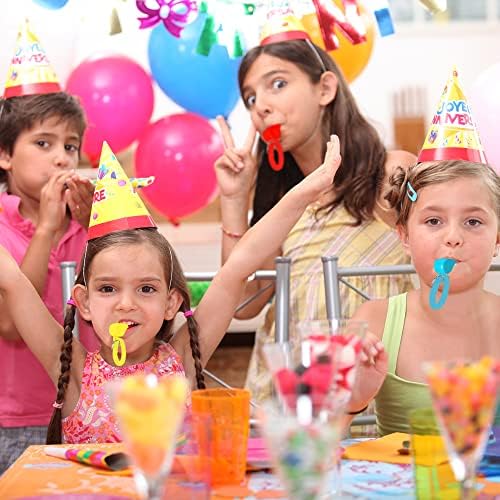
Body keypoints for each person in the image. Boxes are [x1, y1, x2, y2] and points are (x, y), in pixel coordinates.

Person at [0, 133, 342, 445]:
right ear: (84, 302)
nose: (126, 304)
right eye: (108, 289)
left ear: (171, 302)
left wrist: (305, 193)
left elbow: (240, 265)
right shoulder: (74, 372)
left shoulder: (181, 361)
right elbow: (13, 281)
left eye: (146, 289)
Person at [215, 38, 415, 403]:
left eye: (277, 84)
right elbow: (243, 304)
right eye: (250, 98)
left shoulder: (391, 174)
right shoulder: (284, 205)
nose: (261, 107)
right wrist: (234, 198)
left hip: (371, 393)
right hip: (289, 400)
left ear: (324, 89)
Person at [347, 159, 500, 435]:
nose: (453, 237)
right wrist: (351, 402)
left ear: (497, 239)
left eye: (473, 221)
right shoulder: (375, 321)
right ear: (405, 236)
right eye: (433, 221)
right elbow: (311, 449)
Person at [0, 91, 97, 472]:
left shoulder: (88, 224)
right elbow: (11, 325)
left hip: (88, 412)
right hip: (17, 420)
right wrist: (45, 230)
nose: (62, 158)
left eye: (71, 146)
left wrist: (98, 228)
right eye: (44, 143)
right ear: (5, 155)